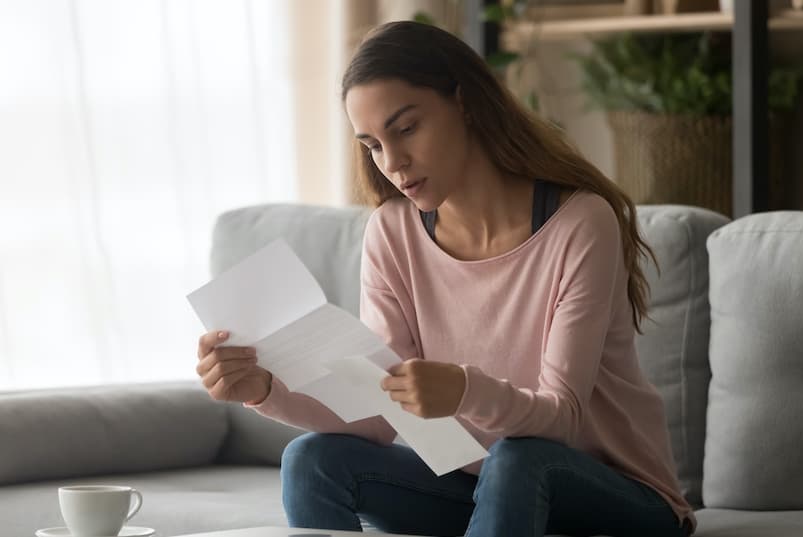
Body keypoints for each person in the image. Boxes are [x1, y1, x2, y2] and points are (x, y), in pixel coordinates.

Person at [195, 21, 695, 537]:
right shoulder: (392, 233)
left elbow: (561, 418)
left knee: (519, 459)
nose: (393, 163)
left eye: (407, 128)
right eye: (372, 145)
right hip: (488, 489)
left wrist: (464, 391)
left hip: (621, 498)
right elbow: (380, 415)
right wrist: (266, 388)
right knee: (312, 461)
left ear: (465, 103)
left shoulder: (580, 223)